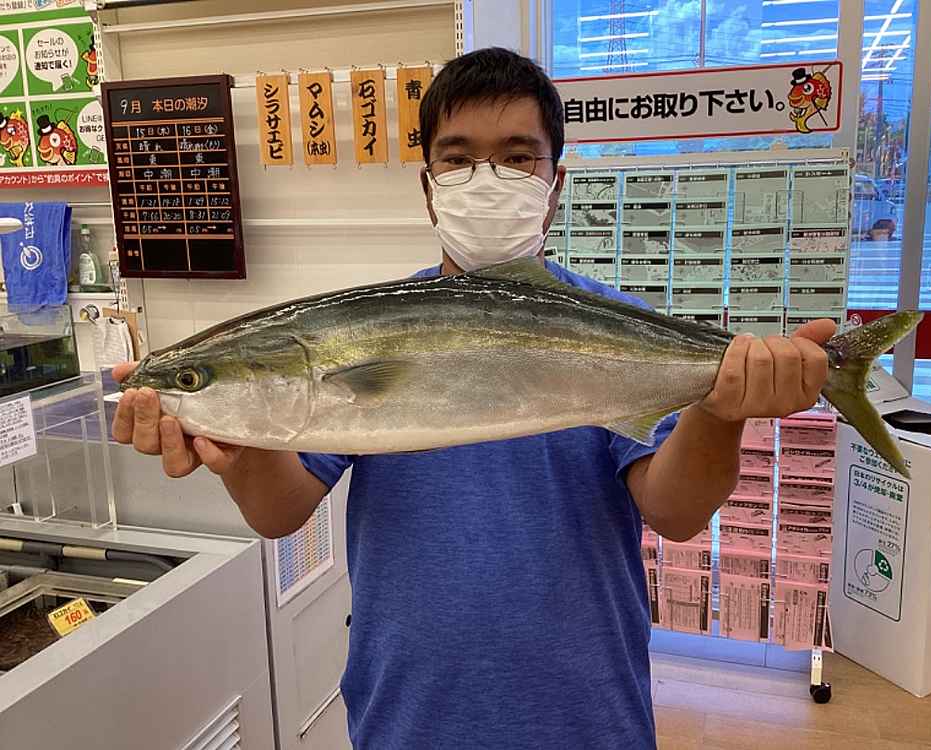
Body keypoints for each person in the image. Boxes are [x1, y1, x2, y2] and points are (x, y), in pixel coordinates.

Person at [112, 48, 834, 750]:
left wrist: (720, 410)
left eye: (518, 158)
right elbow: (280, 513)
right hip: (412, 714)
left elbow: (676, 514)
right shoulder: (363, 331)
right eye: (457, 159)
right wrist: (236, 444)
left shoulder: (618, 325)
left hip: (586, 714)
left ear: (555, 184)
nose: (487, 179)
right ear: (428, 186)